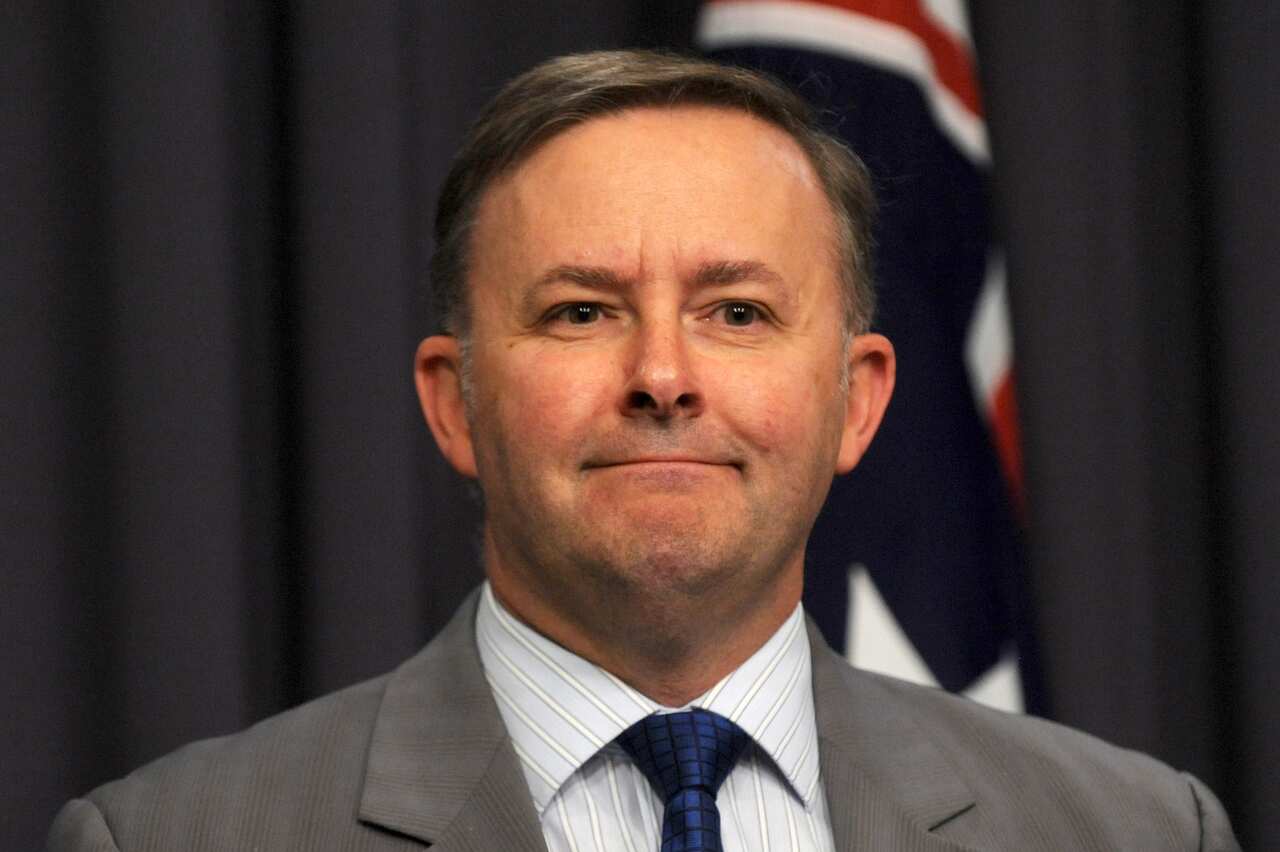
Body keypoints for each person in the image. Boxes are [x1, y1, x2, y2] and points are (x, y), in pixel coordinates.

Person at [49, 50, 1238, 852]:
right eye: (580, 311)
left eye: (737, 312)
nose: (661, 376)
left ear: (857, 401)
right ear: (455, 403)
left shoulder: (1133, 833)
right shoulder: (167, 839)